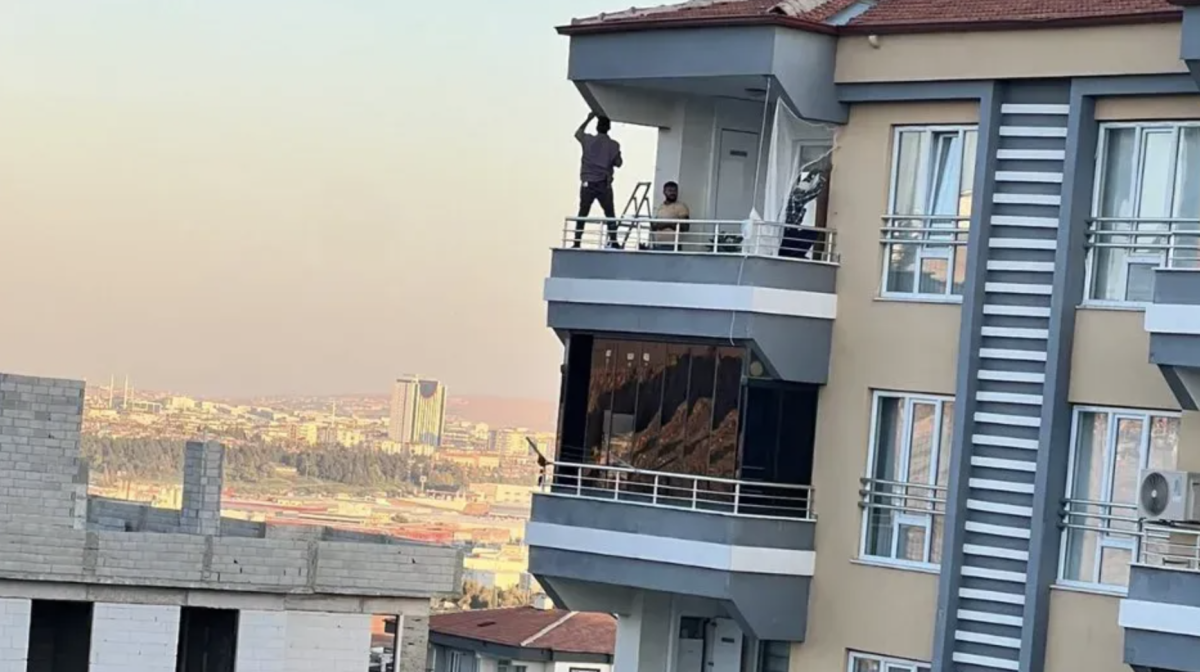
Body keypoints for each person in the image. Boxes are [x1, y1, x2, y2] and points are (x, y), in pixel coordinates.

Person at [574, 112, 623, 249]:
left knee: (583, 213)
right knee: (610, 214)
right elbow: (619, 163)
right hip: (604, 184)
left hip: (587, 183)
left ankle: (577, 241)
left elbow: (578, 133)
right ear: (609, 128)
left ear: (597, 127)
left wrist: (588, 118)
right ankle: (614, 241)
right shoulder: (613, 145)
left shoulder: (588, 140)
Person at [651, 181, 690, 251]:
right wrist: (657, 225)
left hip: (673, 246)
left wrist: (668, 224)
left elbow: (685, 227)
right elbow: (655, 226)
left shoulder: (681, 206)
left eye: (675, 191)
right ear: (664, 192)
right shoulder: (660, 206)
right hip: (658, 244)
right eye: (670, 190)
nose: (673, 193)